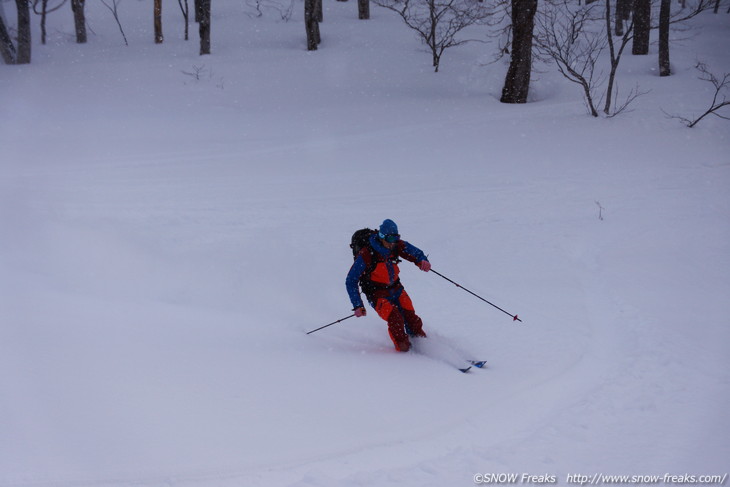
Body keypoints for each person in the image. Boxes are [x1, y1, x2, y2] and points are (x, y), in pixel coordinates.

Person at [346, 219, 431, 352]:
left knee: (410, 316)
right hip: (376, 293)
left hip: (396, 288)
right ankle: (404, 351)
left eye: (396, 237)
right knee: (395, 318)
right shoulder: (367, 254)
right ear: (382, 237)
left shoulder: (396, 245)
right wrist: (358, 305)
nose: (393, 242)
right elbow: (351, 281)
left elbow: (414, 252)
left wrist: (422, 260)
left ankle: (423, 344)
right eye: (390, 238)